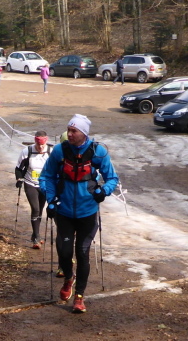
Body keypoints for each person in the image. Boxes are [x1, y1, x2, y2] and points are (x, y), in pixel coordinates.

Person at [39, 114, 119, 313]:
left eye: (74, 131)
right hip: (64, 211)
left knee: (82, 253)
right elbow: (46, 177)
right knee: (65, 252)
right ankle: (69, 277)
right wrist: (51, 199)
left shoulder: (98, 152)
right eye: (69, 129)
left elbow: (112, 178)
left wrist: (103, 191)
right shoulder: (60, 151)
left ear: (84, 133)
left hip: (87, 212)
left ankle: (79, 297)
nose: (70, 134)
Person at [15, 131, 52, 249]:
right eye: (38, 144)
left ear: (46, 141)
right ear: (35, 141)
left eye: (42, 145)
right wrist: (19, 179)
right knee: (35, 209)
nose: (40, 147)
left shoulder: (51, 152)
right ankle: (36, 237)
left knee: (40, 209)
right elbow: (18, 168)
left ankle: (35, 234)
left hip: (44, 185)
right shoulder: (27, 151)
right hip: (30, 183)